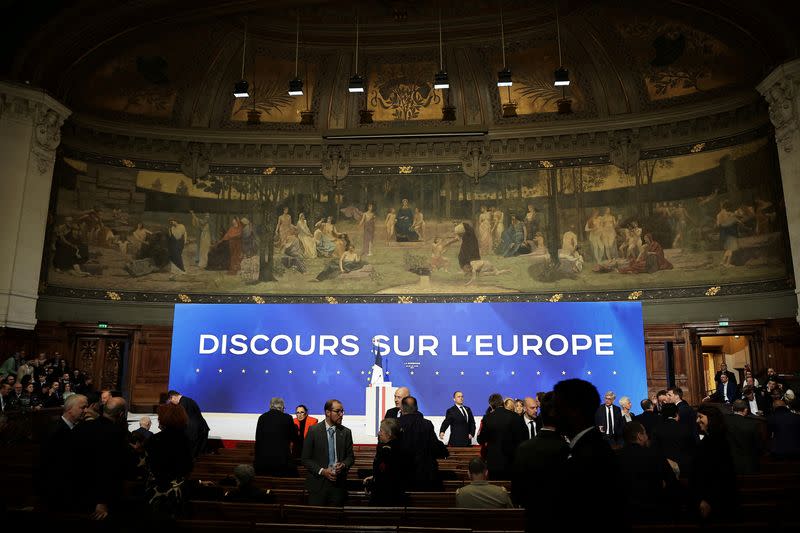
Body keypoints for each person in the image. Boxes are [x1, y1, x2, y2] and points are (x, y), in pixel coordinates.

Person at [552, 378, 623, 531]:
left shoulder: (588, 456)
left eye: (557, 409)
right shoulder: (591, 449)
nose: (553, 415)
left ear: (573, 412)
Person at [512, 391, 569, 528]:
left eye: (537, 408)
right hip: (560, 516)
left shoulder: (524, 448)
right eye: (532, 407)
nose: (535, 410)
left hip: (533, 515)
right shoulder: (566, 449)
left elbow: (517, 492)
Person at [73, 397, 132, 520]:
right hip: (103, 498)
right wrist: (102, 500)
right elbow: (110, 468)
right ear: (121, 414)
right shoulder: (117, 434)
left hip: (77, 490)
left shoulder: (81, 427)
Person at [615, 421, 679, 524]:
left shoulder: (615, 457)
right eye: (645, 433)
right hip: (655, 514)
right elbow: (673, 483)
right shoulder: (655, 455)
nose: (647, 436)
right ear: (640, 436)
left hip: (624, 515)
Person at [37, 394, 88, 510]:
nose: (86, 411)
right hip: (57, 492)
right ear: (70, 409)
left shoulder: (76, 427)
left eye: (87, 407)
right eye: (82, 407)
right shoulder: (55, 431)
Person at [144, 402, 194, 518]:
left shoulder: (154, 439)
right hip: (176, 491)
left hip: (156, 490)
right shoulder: (186, 441)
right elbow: (188, 467)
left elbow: (148, 465)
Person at [301, 399, 354, 506]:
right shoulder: (313, 431)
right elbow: (305, 459)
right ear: (328, 412)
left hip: (338, 486)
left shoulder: (346, 432)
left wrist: (343, 465)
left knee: (336, 520)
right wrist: (322, 471)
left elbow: (350, 457)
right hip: (317, 485)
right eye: (338, 411)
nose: (341, 415)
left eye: (342, 411)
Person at [691, 405, 739, 523]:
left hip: (715, 502)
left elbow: (719, 475)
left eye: (700, 417)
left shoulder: (716, 442)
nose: (697, 421)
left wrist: (706, 499)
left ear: (711, 418)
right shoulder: (715, 439)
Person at [397, 395, 449, 491]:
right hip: (425, 474)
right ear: (416, 408)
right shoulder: (426, 424)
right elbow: (434, 445)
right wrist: (445, 452)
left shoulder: (396, 424)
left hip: (402, 475)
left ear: (402, 408)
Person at [476, 393, 520, 480]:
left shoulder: (487, 418)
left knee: (494, 489)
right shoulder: (514, 416)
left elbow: (481, 439)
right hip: (511, 461)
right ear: (502, 403)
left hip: (493, 462)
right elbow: (520, 438)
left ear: (490, 405)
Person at [363, 418, 406, 506]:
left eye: (381, 431)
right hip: (396, 496)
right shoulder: (399, 446)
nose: (379, 433)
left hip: (385, 498)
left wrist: (370, 486)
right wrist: (373, 476)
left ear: (389, 434)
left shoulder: (386, 451)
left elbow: (384, 478)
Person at [254, 397, 298, 476]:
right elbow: (293, 437)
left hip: (264, 463)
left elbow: (258, 439)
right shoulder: (287, 418)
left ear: (270, 406)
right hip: (282, 463)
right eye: (284, 408)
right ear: (281, 407)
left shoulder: (262, 418)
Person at [167, 390, 209, 458]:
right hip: (201, 429)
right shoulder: (188, 400)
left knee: (193, 456)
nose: (174, 404)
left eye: (172, 402)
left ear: (173, 397)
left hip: (194, 432)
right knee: (199, 456)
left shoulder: (182, 403)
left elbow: (181, 419)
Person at [726, 399, 763, 475]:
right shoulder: (753, 424)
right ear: (746, 410)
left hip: (728, 467)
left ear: (732, 408)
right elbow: (758, 446)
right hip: (747, 467)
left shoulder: (723, 421)